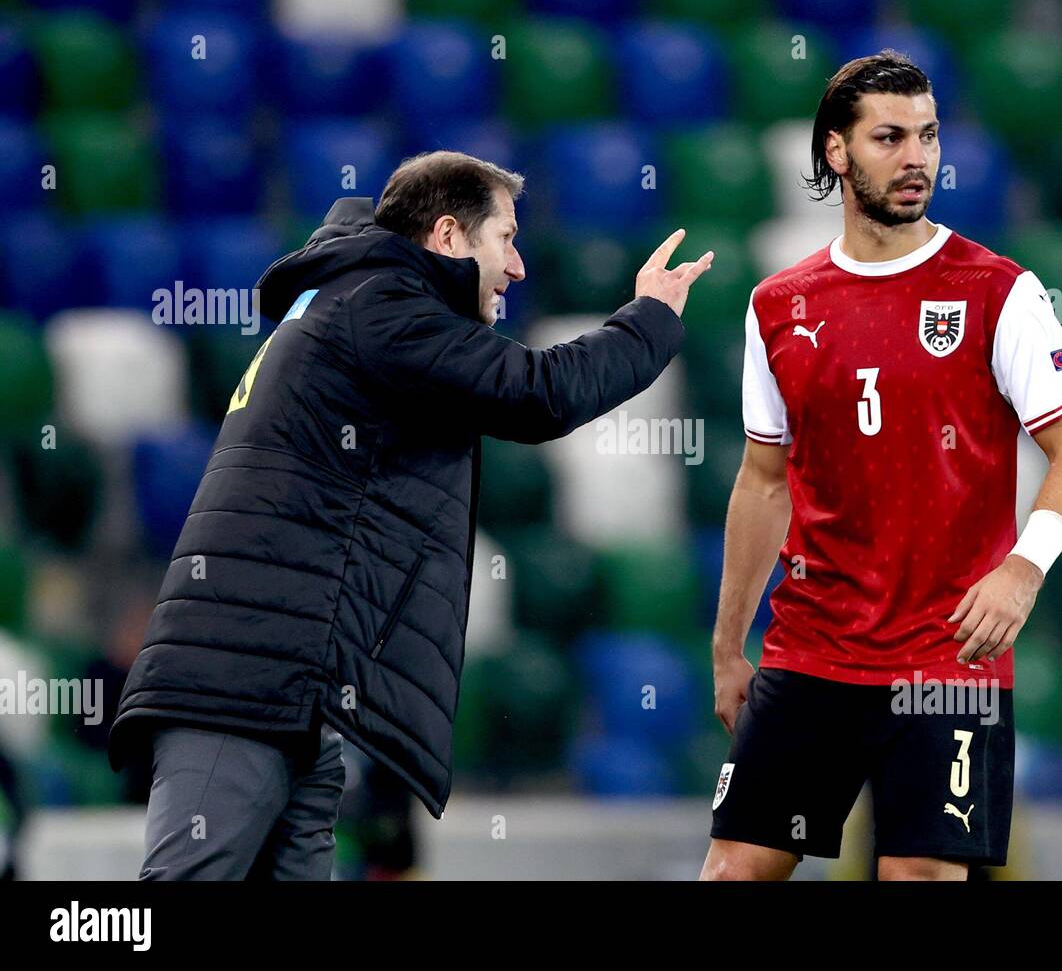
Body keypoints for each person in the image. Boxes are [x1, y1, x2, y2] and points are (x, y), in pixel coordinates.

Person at [108, 150, 714, 880]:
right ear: (451, 236)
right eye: (506, 239)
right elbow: (537, 393)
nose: (518, 267)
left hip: (294, 684)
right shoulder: (382, 304)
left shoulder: (352, 297)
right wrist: (648, 320)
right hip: (241, 682)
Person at [700, 52, 1062, 881]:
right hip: (813, 648)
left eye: (928, 136)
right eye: (889, 137)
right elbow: (763, 481)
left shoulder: (998, 291)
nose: (916, 157)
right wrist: (727, 644)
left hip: (948, 657)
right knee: (734, 870)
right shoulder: (779, 303)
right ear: (837, 153)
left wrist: (1024, 571)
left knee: (918, 877)